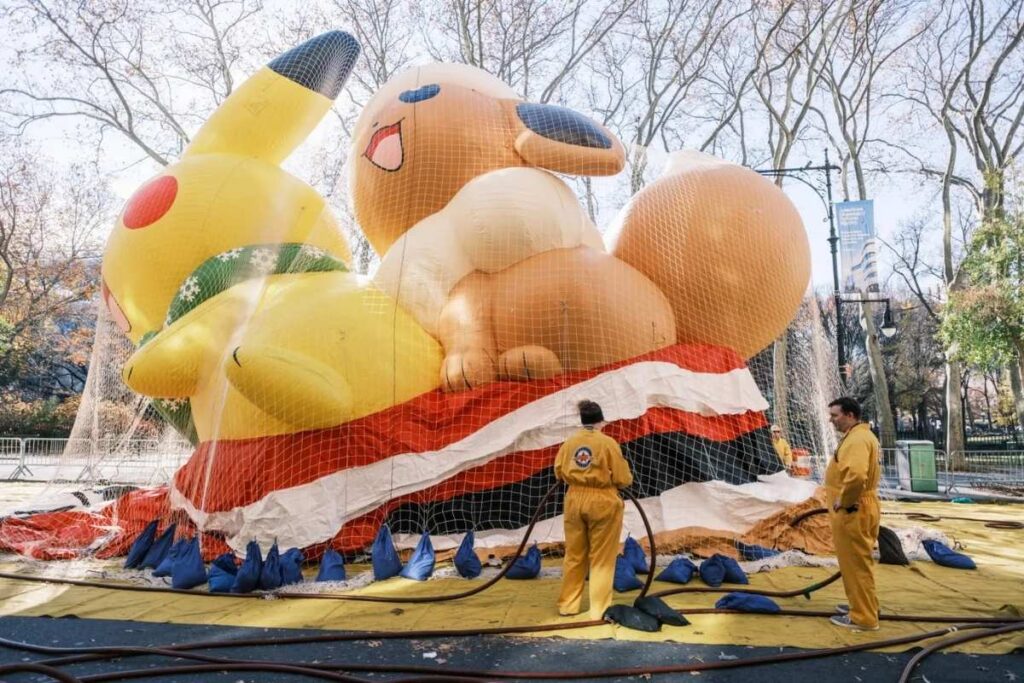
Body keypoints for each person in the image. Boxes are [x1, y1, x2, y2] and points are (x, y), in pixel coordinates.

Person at [555, 400, 634, 620]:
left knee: (574, 555)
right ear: (601, 420)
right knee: (601, 558)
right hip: (602, 501)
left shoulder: (570, 443)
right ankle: (598, 610)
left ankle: (568, 606)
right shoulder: (607, 443)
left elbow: (558, 471)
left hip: (574, 499)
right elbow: (621, 477)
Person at [826, 397, 881, 631]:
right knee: (859, 562)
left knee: (855, 563)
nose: (831, 420)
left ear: (850, 415)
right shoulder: (861, 435)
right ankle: (864, 605)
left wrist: (845, 501)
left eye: (835, 415)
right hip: (862, 505)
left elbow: (857, 475)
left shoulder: (856, 440)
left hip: (853, 509)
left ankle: (863, 617)